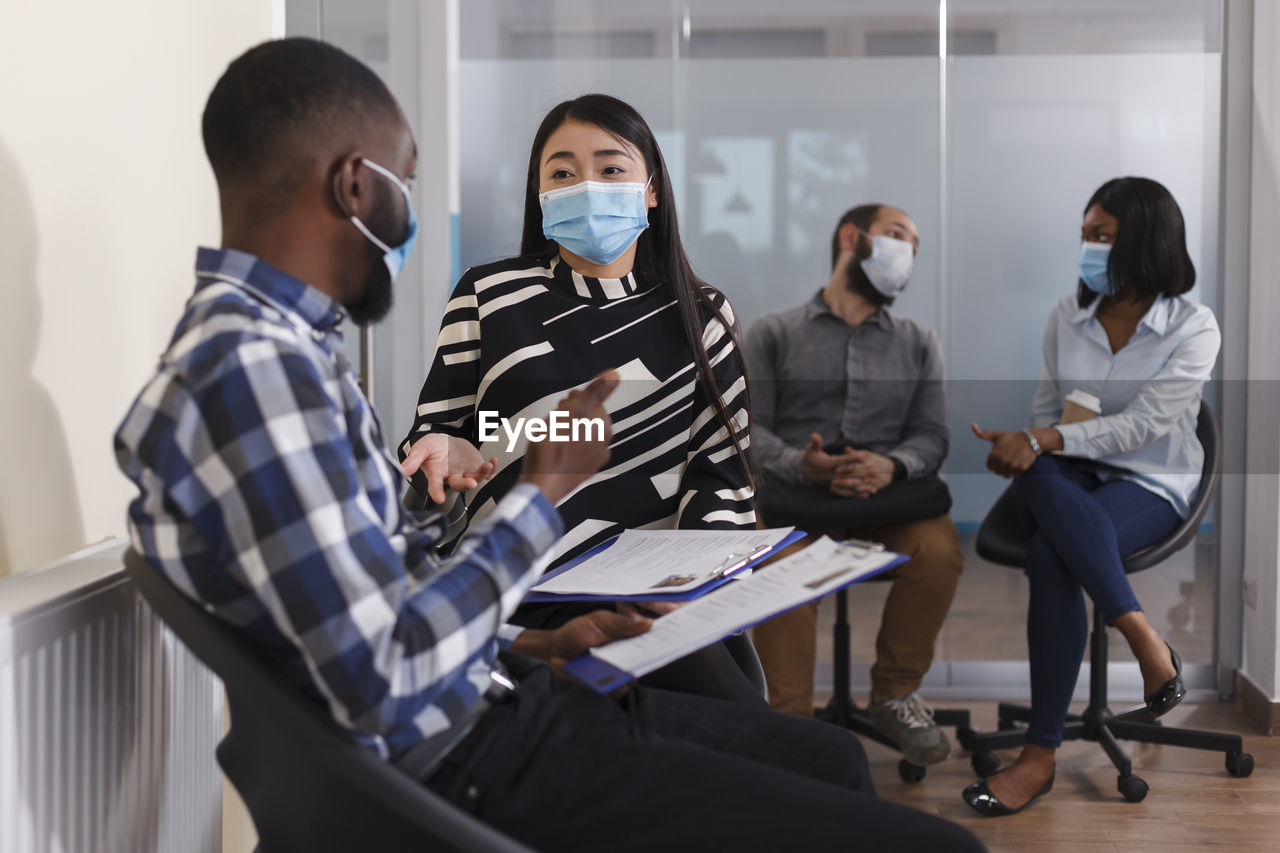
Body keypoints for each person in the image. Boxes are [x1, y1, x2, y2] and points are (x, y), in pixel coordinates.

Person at [113, 39, 984, 852]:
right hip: (481, 750)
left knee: (827, 759)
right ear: (355, 186)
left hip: (505, 683)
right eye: (407, 183)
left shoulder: (280, 355)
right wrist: (539, 493)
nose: (410, 215)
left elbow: (376, 594)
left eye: (611, 167)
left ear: (650, 187)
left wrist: (536, 650)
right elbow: (383, 669)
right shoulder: (259, 373)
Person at [398, 93, 763, 704]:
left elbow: (721, 476)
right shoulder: (487, 296)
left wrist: (689, 590)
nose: (586, 185)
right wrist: (443, 458)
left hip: (657, 598)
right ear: (540, 195)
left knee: (734, 738)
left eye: (611, 168)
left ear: (651, 189)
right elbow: (436, 442)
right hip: (521, 591)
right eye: (562, 172)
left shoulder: (702, 315)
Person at [964, 176, 1220, 816]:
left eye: (1101, 237)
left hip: (1149, 481)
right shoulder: (1066, 314)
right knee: (1044, 476)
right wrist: (1034, 440)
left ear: (1146, 241)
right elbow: (1049, 410)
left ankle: (1039, 754)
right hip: (1066, 476)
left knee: (1054, 555)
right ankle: (1140, 632)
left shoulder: (1193, 327)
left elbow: (1144, 427)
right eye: (1084, 236)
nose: (1088, 248)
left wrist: (1038, 438)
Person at [743, 204, 964, 767]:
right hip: (794, 501)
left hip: (885, 501)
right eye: (897, 236)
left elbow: (933, 436)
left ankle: (895, 694)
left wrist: (891, 466)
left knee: (938, 548)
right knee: (778, 566)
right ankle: (786, 726)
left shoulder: (919, 342)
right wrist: (801, 463)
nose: (906, 252)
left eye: (914, 244)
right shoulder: (772, 333)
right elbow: (745, 431)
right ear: (851, 238)